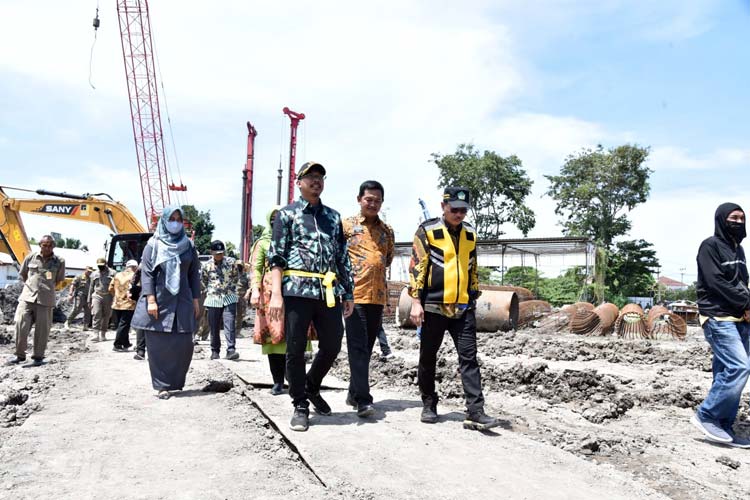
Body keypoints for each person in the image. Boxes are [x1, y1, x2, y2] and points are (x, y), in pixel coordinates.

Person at [268, 161, 355, 432]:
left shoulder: (332, 217)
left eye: (320, 177)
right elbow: (277, 256)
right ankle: (300, 404)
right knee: (295, 348)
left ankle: (310, 385)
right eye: (310, 177)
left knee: (332, 344)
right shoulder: (287, 215)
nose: (316, 181)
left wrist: (348, 292)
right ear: (299, 182)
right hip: (296, 290)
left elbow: (342, 256)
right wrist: (275, 294)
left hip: (328, 291)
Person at [408, 187, 499, 431]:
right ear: (443, 207)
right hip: (433, 307)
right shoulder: (427, 231)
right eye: (454, 209)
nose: (459, 214)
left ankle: (475, 411)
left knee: (469, 358)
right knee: (428, 357)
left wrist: (474, 296)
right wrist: (416, 302)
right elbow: (417, 268)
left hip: (463, 309)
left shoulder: (470, 234)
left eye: (463, 210)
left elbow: (473, 268)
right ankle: (429, 403)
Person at [690, 202, 750, 447]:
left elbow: (741, 282)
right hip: (718, 317)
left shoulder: (739, 250)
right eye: (733, 218)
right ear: (721, 220)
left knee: (724, 373)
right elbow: (716, 283)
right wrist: (747, 302)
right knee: (740, 367)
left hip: (739, 319)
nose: (738, 222)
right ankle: (707, 415)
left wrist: (746, 307)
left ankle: (723, 426)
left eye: (742, 218)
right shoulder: (710, 246)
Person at [131, 205, 201, 399]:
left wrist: (196, 300)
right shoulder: (153, 245)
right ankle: (162, 386)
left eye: (179, 219)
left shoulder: (189, 245)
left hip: (183, 300)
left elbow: (194, 274)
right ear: (164, 220)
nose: (176, 223)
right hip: (160, 300)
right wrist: (150, 300)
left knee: (184, 344)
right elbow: (147, 274)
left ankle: (176, 383)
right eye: (172, 219)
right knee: (160, 346)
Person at [248, 207, 316, 396]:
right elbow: (256, 268)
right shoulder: (262, 243)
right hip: (270, 296)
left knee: (295, 336)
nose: (277, 222)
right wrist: (255, 290)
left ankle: (294, 379)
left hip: (296, 292)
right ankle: (278, 381)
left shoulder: (297, 240)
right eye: (274, 218)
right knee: (273, 340)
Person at [342, 180, 395, 418]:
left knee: (368, 347)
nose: (373, 204)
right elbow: (336, 257)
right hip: (353, 297)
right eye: (368, 199)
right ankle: (364, 400)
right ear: (359, 199)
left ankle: (354, 392)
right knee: (358, 348)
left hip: (376, 297)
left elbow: (388, 259)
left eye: (377, 200)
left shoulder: (387, 231)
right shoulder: (346, 226)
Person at [7, 235, 66, 367]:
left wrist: (46, 288)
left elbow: (58, 281)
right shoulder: (30, 257)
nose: (47, 248)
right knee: (20, 326)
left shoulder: (59, 261)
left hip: (45, 301)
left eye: (50, 245)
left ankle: (38, 357)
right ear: (40, 245)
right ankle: (19, 355)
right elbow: (23, 275)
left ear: (53, 247)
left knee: (42, 330)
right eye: (44, 245)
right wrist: (31, 286)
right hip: (27, 298)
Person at [201, 240, 243, 360]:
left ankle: (231, 350)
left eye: (221, 253)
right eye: (217, 253)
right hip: (213, 298)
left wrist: (232, 289)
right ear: (212, 252)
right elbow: (204, 280)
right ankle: (215, 351)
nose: (219, 255)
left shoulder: (231, 262)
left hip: (229, 297)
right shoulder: (207, 265)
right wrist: (210, 290)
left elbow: (236, 276)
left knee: (229, 323)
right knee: (214, 326)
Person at [109, 259, 138, 352]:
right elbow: (137, 289)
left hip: (117, 303)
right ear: (134, 267)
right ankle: (117, 345)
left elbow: (110, 288)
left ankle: (126, 343)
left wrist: (117, 296)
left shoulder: (117, 275)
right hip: (129, 304)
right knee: (124, 325)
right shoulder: (134, 276)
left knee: (122, 324)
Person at [89, 257, 115, 342]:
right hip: (97, 296)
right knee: (96, 313)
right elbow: (91, 287)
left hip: (108, 296)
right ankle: (95, 334)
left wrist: (115, 298)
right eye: (99, 266)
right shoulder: (94, 274)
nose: (100, 267)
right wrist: (89, 299)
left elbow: (116, 286)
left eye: (102, 265)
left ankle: (103, 333)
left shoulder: (113, 273)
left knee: (106, 315)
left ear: (106, 264)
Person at [64, 266, 93, 330]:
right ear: (85, 270)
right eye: (88, 271)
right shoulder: (79, 277)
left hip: (88, 297)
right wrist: (70, 294)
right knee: (76, 310)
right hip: (80, 296)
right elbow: (73, 285)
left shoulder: (91, 279)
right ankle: (67, 322)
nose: (89, 273)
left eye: (90, 272)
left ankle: (85, 326)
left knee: (88, 311)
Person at [128, 264, 147, 361]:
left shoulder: (145, 260)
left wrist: (132, 289)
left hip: (146, 294)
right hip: (164, 295)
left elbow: (134, 278)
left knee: (142, 323)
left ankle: (140, 351)